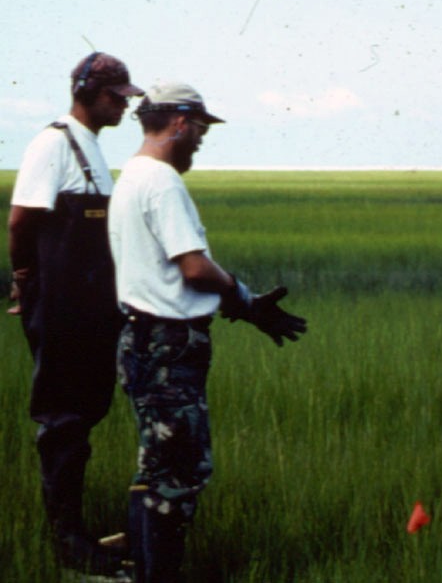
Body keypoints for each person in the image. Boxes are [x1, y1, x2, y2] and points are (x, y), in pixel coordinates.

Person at [107, 81, 307, 582]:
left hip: (141, 341)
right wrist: (243, 296)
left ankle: (139, 571)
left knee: (156, 467)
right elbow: (194, 268)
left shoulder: (131, 176)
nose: (200, 138)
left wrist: (244, 305)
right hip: (168, 347)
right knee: (178, 475)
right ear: (178, 122)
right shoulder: (163, 182)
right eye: (199, 127)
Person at [7, 52, 143, 575]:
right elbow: (21, 222)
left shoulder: (90, 148)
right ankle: (68, 543)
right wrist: (26, 284)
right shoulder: (53, 142)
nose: (124, 107)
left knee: (82, 416)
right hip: (62, 309)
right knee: (63, 422)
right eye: (116, 97)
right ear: (87, 91)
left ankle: (77, 534)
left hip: (89, 311)